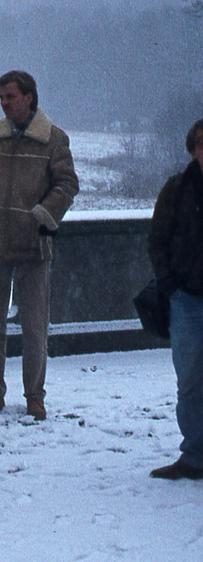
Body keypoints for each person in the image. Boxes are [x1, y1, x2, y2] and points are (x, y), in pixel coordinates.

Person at [0, 70, 78, 421]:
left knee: (34, 328)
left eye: (10, 96)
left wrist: (42, 215)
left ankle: (35, 396)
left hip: (33, 246)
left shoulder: (54, 140)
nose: (4, 103)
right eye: (1, 97)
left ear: (29, 97)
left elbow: (67, 184)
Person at [147, 118, 203, 480]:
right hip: (187, 301)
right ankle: (195, 457)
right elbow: (157, 239)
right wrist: (170, 285)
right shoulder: (177, 189)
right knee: (191, 383)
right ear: (193, 149)